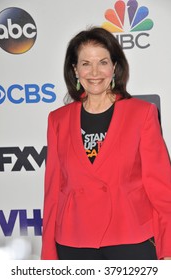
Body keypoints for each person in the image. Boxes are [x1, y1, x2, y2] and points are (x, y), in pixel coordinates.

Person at [41, 27, 171, 260]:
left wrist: (168, 249)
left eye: (102, 62)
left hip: (131, 239)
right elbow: (53, 193)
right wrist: (48, 257)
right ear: (75, 69)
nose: (94, 72)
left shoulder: (141, 114)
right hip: (74, 242)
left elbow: (162, 190)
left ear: (115, 67)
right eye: (85, 63)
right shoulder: (57, 120)